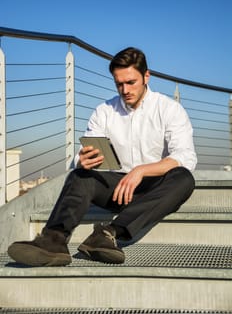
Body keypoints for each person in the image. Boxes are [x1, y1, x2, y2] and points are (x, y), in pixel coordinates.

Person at [8, 47, 197, 266]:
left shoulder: (169, 109)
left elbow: (185, 156)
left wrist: (141, 171)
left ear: (146, 76)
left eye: (131, 82)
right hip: (115, 190)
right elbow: (85, 155)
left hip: (153, 190)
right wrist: (83, 161)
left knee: (184, 178)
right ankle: (54, 240)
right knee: (80, 175)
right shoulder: (104, 111)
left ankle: (107, 234)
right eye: (119, 84)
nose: (124, 90)